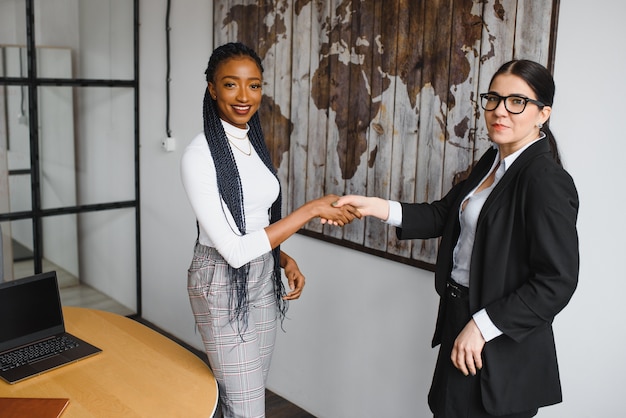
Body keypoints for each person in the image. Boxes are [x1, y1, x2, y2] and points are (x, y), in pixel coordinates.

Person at [334, 59, 579, 417]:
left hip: (499, 335)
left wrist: (482, 326)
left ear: (543, 113)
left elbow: (556, 281)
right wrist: (376, 206)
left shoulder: (545, 180)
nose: (500, 110)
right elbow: (443, 214)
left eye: (517, 101)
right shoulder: (492, 160)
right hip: (459, 313)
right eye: (493, 99)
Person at [180, 42, 359, 417]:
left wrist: (282, 258)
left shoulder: (252, 144)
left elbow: (252, 221)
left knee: (247, 396)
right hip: (221, 279)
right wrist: (309, 210)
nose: (244, 96)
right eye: (231, 85)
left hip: (261, 274)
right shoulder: (200, 155)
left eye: (254, 85)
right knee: (245, 409)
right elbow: (232, 249)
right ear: (212, 89)